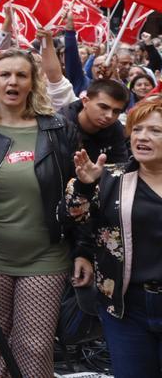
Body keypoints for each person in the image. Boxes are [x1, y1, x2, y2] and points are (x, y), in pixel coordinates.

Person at [0, 48, 80, 377]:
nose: (13, 81)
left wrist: (83, 249)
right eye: (5, 74)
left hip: (45, 257)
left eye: (21, 75)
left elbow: (78, 194)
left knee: (35, 348)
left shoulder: (59, 131)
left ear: (32, 83)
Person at [68, 95, 162, 377]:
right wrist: (85, 188)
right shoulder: (111, 178)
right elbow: (75, 217)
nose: (143, 137)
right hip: (126, 307)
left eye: (155, 131)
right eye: (137, 129)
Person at [60, 79, 130, 164]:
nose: (109, 116)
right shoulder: (59, 127)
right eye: (103, 107)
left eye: (116, 111)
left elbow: (120, 166)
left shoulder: (115, 128)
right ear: (85, 101)